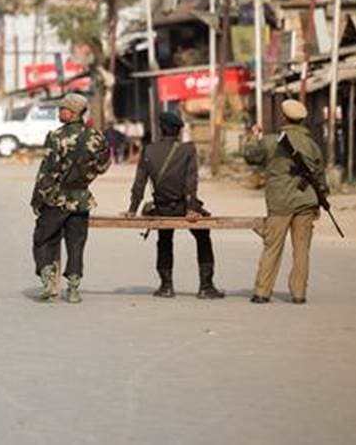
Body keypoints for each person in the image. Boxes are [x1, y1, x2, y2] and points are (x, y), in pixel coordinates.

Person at [126, 112, 225, 299]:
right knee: (203, 236)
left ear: (161, 128)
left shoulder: (149, 150)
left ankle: (166, 287)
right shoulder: (187, 150)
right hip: (183, 207)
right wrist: (192, 209)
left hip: (162, 207)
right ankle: (206, 286)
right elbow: (191, 182)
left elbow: (139, 183)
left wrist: (132, 209)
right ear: (178, 130)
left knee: (164, 239)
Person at [30, 93, 110, 303]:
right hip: (82, 198)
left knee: (43, 239)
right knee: (76, 244)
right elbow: (103, 166)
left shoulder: (56, 137)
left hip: (56, 198)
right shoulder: (97, 136)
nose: (59, 112)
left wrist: (37, 198)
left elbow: (47, 171)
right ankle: (73, 289)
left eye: (62, 109)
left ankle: (49, 282)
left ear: (73, 112)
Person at [244, 99, 325, 304]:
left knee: (272, 247)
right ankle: (299, 294)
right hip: (306, 201)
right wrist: (319, 202)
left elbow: (251, 156)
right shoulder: (312, 144)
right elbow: (320, 176)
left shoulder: (272, 141)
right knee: (301, 250)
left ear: (283, 117)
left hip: (280, 202)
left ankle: (262, 292)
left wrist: (253, 137)